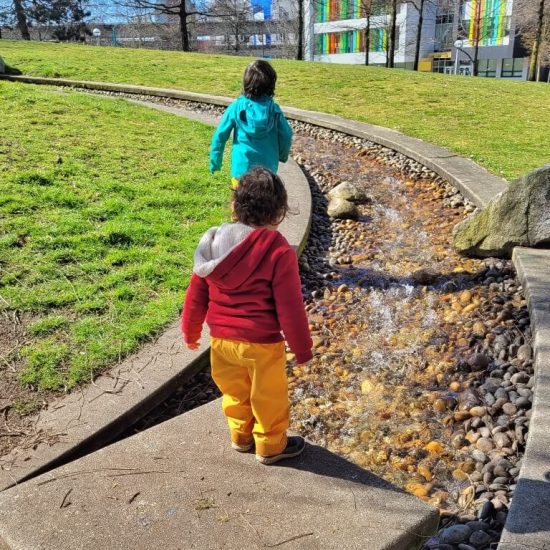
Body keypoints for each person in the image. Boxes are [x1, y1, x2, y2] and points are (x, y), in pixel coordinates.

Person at [181, 167, 312, 465]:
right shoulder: (277, 250)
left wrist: (190, 331)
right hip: (261, 344)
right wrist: (302, 347)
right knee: (269, 398)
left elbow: (196, 293)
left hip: (222, 342)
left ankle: (240, 436)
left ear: (234, 205)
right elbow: (290, 306)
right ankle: (270, 446)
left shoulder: (212, 243)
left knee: (235, 393)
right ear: (279, 213)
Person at [209, 60, 293, 189]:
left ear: (246, 83)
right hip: (267, 171)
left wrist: (215, 161)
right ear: (271, 84)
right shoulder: (274, 110)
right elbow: (286, 135)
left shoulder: (236, 107)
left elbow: (220, 136)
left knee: (240, 203)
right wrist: (282, 155)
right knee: (264, 203)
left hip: (241, 169)